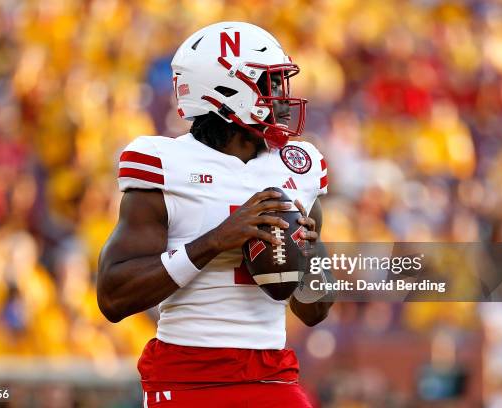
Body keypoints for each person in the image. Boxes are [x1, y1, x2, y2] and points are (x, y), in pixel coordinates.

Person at [97, 21, 332, 407]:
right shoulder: (164, 163)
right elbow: (113, 296)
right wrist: (214, 242)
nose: (281, 97)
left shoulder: (298, 167)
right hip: (188, 374)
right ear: (227, 91)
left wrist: (310, 258)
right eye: (269, 84)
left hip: (270, 372)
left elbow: (316, 310)